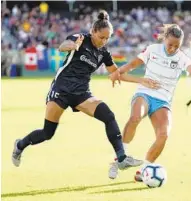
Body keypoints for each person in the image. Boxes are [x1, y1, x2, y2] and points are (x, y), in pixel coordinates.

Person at [12, 10, 158, 172]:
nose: (104, 41)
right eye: (101, 37)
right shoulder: (80, 38)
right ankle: (20, 145)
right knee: (48, 132)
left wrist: (141, 80)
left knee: (108, 116)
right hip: (62, 89)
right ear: (93, 32)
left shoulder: (103, 53)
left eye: (107, 38)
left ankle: (122, 158)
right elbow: (62, 46)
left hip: (81, 93)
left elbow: (116, 74)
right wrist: (73, 46)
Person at [108, 24, 191, 180]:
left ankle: (144, 170)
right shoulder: (152, 49)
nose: (172, 49)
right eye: (170, 45)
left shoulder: (181, 57)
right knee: (135, 117)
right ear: (164, 39)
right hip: (145, 93)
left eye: (176, 46)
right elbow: (132, 65)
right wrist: (117, 73)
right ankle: (120, 158)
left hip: (163, 100)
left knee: (163, 134)